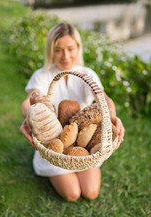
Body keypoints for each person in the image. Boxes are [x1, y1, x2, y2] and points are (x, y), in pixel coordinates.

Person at [19, 23, 125, 202]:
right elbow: (28, 101)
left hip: (84, 146)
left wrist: (112, 115)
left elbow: (105, 100)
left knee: (90, 192)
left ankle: (79, 167)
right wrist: (28, 117)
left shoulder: (87, 74)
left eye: (70, 49)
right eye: (58, 50)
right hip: (55, 146)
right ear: (50, 50)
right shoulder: (43, 75)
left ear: (78, 48)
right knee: (72, 194)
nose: (65, 56)